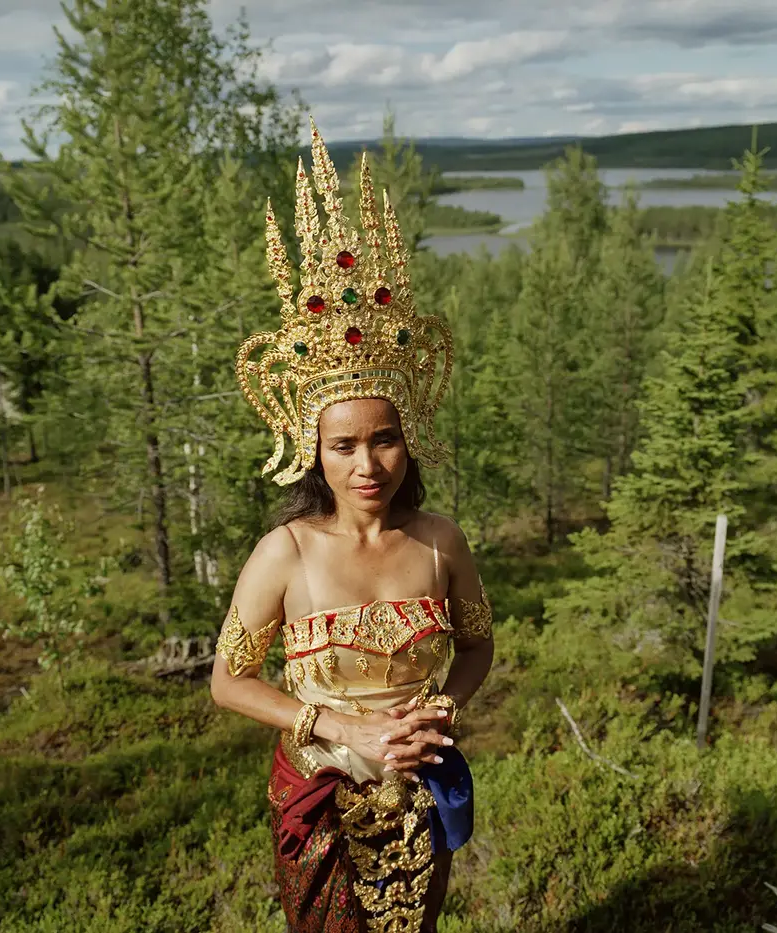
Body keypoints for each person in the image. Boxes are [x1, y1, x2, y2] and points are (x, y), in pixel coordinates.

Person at [210, 120, 495, 933]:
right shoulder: (287, 552)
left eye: (384, 438)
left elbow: (477, 647)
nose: (367, 463)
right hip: (318, 791)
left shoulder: (441, 540)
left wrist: (436, 712)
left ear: (411, 439)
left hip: (420, 780)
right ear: (313, 450)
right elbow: (230, 680)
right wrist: (333, 721)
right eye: (343, 444)